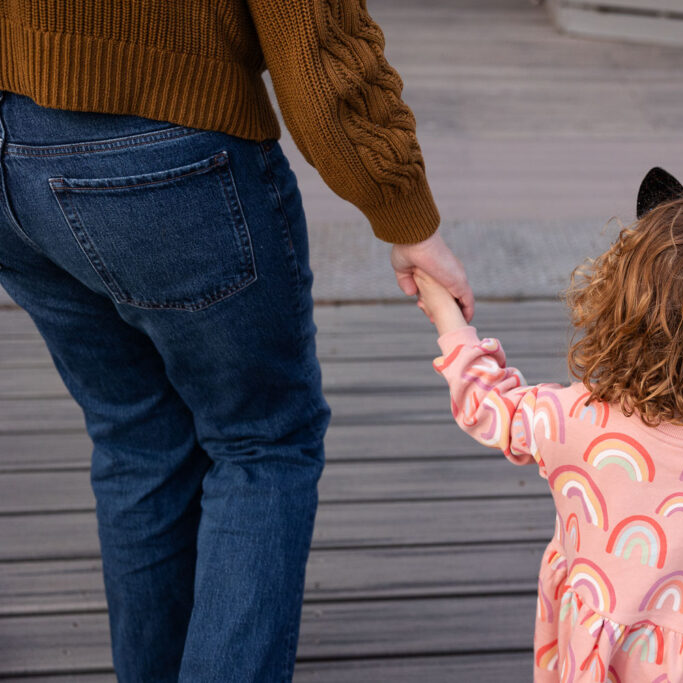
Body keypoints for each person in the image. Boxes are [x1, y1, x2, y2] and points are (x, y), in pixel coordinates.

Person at [0, 1, 471, 680]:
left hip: (11, 160)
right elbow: (317, 40)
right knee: (263, 443)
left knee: (136, 437)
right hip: (163, 154)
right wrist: (405, 211)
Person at [413, 168, 683, 682]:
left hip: (596, 655)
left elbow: (488, 405)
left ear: (618, 308)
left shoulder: (576, 418)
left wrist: (445, 315)